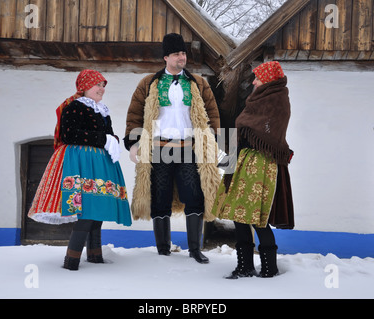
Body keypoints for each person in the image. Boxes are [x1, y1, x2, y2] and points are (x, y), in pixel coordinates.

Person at [124, 33, 221, 263]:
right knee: (160, 197)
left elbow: (213, 113)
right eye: (177, 53)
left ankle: (195, 250)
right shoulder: (149, 83)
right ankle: (163, 250)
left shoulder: (198, 82)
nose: (182, 57)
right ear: (166, 57)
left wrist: (213, 141)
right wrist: (133, 143)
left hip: (188, 148)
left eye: (184, 53)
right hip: (159, 149)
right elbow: (135, 114)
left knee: (194, 195)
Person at [28, 69, 132, 270]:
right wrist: (102, 139)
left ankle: (95, 256)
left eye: (103, 85)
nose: (102, 89)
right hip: (80, 162)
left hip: (101, 164)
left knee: (97, 210)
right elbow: (69, 135)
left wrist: (113, 140)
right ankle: (71, 260)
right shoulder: (74, 107)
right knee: (86, 211)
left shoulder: (103, 111)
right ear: (84, 86)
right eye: (98, 85)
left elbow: (108, 134)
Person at [211, 61, 294, 279]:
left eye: (258, 77)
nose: (254, 82)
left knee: (258, 218)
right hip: (244, 161)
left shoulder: (277, 101)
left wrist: (247, 130)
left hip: (262, 164)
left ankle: (269, 268)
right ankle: (245, 266)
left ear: (267, 79)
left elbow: (269, 131)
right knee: (239, 215)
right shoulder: (257, 100)